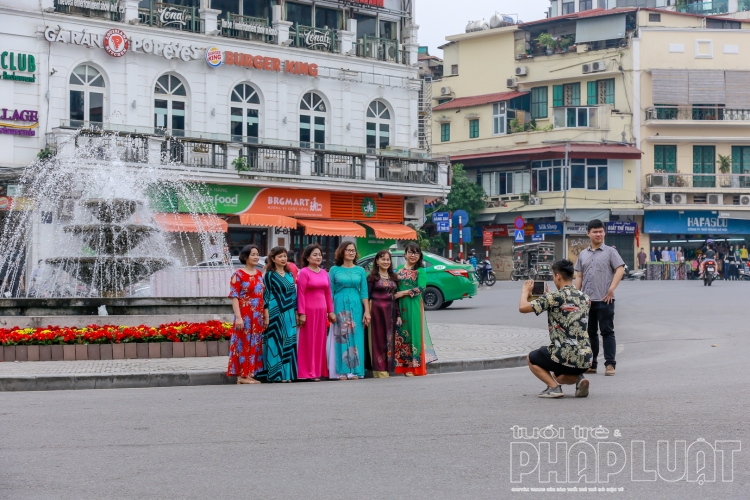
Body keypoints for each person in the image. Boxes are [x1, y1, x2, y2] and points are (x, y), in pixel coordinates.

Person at [519, 260, 593, 398]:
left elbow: (523, 307)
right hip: (586, 358)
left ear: (558, 276)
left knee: (532, 358)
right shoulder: (585, 297)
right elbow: (566, 304)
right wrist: (550, 296)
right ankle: (579, 378)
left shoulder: (553, 297)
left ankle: (554, 388)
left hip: (564, 355)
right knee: (559, 375)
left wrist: (525, 292)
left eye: (553, 276)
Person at [574, 219, 624, 376]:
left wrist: (611, 289)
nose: (598, 234)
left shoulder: (610, 252)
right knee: (590, 333)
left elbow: (620, 269)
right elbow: (579, 276)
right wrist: (577, 296)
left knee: (607, 332)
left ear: (604, 232)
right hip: (587, 301)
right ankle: (592, 364)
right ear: (588, 233)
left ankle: (610, 365)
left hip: (605, 299)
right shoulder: (582, 254)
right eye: (595, 231)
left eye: (601, 231)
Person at [393, 242, 437, 376]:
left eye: (416, 253)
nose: (413, 255)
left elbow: (421, 288)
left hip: (413, 304)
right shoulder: (399, 269)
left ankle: (414, 367)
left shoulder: (420, 271)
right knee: (400, 334)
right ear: (405, 254)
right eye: (410, 252)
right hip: (399, 305)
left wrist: (403, 293)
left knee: (414, 334)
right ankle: (402, 366)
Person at [327, 242, 370, 380]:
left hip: (356, 304)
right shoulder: (334, 270)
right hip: (340, 304)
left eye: (353, 250)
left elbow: (364, 292)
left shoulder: (360, 271)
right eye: (348, 250)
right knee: (342, 337)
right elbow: (329, 291)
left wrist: (367, 311)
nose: (351, 253)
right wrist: (330, 310)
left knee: (356, 337)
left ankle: (356, 370)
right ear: (342, 252)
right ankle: (342, 371)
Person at [296, 244, 335, 381]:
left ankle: (318, 370)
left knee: (320, 341)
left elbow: (328, 293)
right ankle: (308, 371)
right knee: (308, 342)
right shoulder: (304, 272)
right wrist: (301, 312)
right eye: (315, 255)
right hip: (308, 310)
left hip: (322, 311)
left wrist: (331, 311)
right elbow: (300, 293)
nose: (318, 257)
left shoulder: (324, 272)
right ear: (307, 257)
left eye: (320, 254)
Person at [227, 244, 265, 384]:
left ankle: (249, 373)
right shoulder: (238, 274)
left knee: (254, 344)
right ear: (245, 256)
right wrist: (238, 317)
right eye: (253, 254)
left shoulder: (259, 273)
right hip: (245, 314)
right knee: (243, 343)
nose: (256, 257)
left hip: (258, 315)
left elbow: (262, 295)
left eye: (257, 254)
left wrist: (265, 315)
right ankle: (242, 375)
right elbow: (234, 296)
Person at [263, 246, 298, 382]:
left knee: (289, 341)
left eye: (284, 256)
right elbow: (265, 295)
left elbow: (293, 294)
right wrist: (266, 313)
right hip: (274, 310)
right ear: (273, 259)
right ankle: (275, 375)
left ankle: (287, 375)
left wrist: (295, 311)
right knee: (275, 340)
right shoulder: (269, 275)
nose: (284, 259)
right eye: (280, 256)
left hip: (289, 312)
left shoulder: (290, 274)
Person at [367, 250, 401, 378]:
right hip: (376, 312)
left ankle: (388, 367)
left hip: (390, 313)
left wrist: (398, 314)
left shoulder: (394, 277)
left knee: (389, 340)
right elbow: (367, 296)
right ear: (377, 261)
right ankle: (379, 370)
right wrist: (366, 312)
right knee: (377, 340)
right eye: (383, 259)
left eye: (388, 259)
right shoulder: (372, 278)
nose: (386, 262)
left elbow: (395, 298)